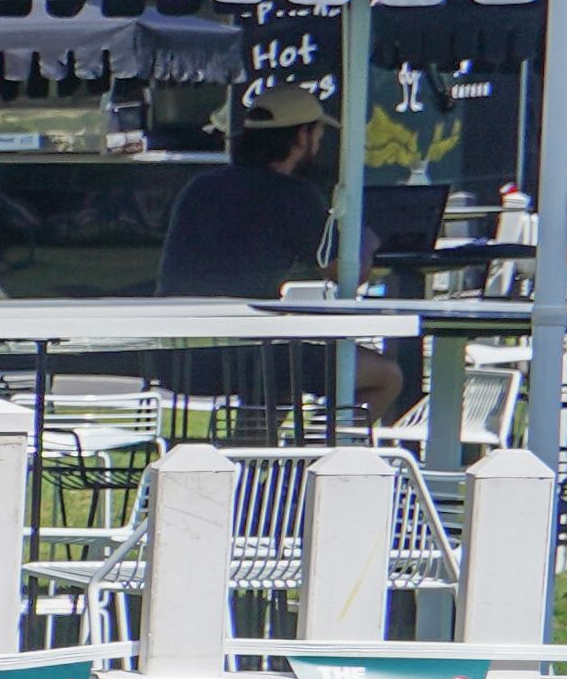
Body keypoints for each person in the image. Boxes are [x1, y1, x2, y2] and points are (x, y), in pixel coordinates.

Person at [159, 85, 409, 428]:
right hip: (251, 356)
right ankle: (320, 453)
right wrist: (364, 238)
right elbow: (346, 273)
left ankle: (253, 455)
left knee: (281, 360)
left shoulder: (200, 187)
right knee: (386, 376)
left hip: (179, 358)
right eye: (318, 135)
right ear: (302, 136)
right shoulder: (294, 195)